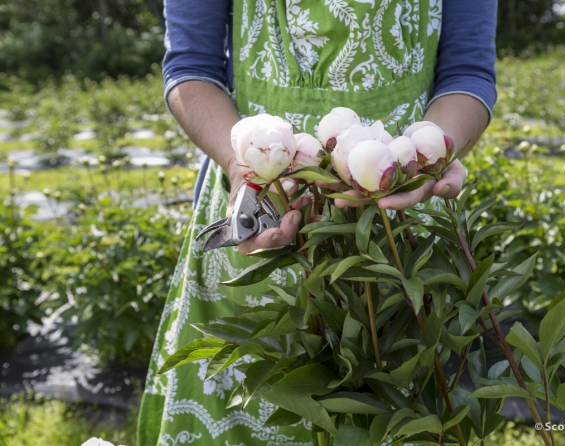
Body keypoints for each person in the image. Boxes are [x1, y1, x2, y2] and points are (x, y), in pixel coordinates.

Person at [138, 1, 497, 445]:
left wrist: (436, 152)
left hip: (401, 205)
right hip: (263, 205)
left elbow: (467, 71)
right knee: (262, 396)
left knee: (400, 404)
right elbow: (192, 67)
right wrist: (240, 168)